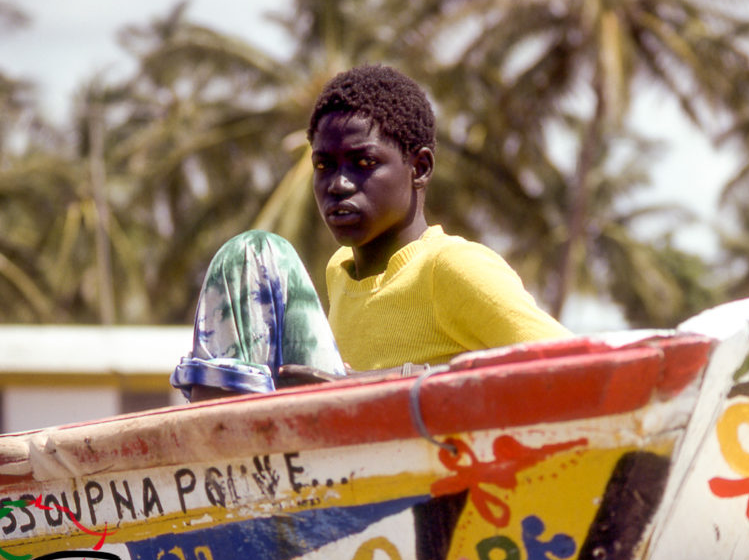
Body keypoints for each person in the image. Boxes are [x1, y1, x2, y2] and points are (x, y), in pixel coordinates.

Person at [172, 64, 569, 401]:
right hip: (340, 474)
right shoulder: (339, 272)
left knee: (254, 253)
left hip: (431, 478)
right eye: (324, 166)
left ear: (420, 168)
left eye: (363, 162)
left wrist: (363, 386)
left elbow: (573, 363)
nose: (338, 184)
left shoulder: (449, 268)